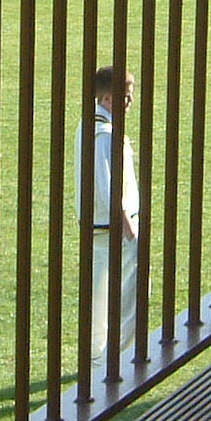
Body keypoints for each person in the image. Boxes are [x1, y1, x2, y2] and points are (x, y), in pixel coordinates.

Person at [74, 64, 140, 364]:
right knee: (129, 296)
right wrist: (129, 229)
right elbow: (108, 187)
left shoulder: (89, 125)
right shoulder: (103, 133)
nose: (130, 102)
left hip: (98, 226)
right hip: (113, 228)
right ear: (109, 99)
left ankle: (96, 357)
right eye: (126, 96)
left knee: (98, 298)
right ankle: (117, 358)